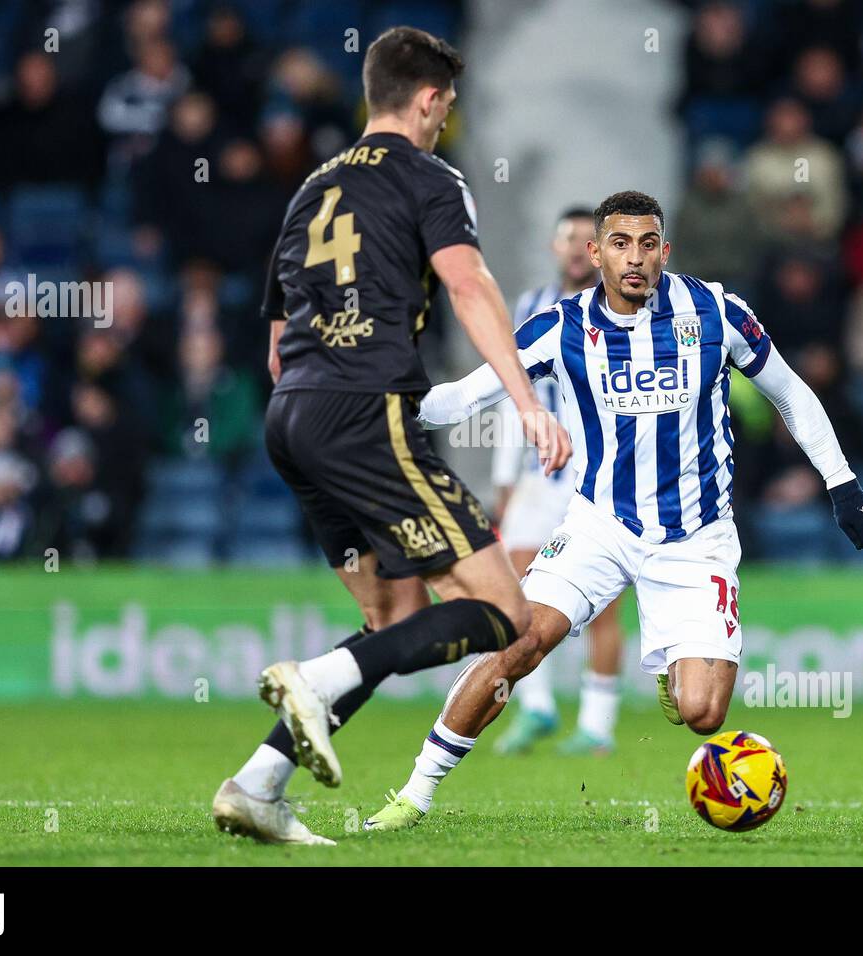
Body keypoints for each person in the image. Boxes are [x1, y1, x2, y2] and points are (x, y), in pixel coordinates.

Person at [362, 190, 863, 831]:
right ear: (595, 252)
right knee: (517, 643)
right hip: (599, 524)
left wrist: (842, 484)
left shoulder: (716, 313)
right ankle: (413, 795)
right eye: (619, 243)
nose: (633, 258)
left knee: (704, 714)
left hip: (697, 537)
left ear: (664, 250)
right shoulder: (562, 326)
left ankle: (677, 666)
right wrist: (386, 404)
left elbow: (791, 393)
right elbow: (465, 398)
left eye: (646, 244)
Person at [211, 26, 570, 846]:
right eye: (446, 106)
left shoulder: (311, 189)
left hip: (293, 418)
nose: (447, 120)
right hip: (365, 410)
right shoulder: (430, 177)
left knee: (393, 617)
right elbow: (469, 282)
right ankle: (314, 678)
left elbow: (275, 340)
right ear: (431, 99)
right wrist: (525, 401)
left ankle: (259, 784)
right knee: (503, 611)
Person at [490, 208, 626, 757]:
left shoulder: (622, 309)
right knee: (515, 595)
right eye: (566, 239)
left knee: (603, 606)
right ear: (554, 248)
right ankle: (539, 707)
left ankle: (598, 724)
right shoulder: (528, 308)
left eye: (583, 240)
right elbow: (508, 393)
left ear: (597, 251)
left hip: (597, 476)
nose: (575, 248)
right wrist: (504, 480)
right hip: (539, 477)